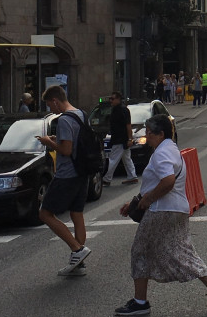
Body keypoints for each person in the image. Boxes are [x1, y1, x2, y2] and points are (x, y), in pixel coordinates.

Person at [114, 115, 207, 317]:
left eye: (149, 133)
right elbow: (159, 181)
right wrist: (136, 200)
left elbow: (167, 181)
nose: (146, 137)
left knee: (140, 250)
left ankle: (140, 302)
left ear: (161, 134)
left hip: (162, 209)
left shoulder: (161, 154)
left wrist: (148, 199)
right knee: (180, 251)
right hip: (176, 208)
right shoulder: (171, 149)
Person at [36, 85, 92, 275]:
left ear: (55, 101)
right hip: (82, 171)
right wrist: (57, 139)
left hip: (66, 174)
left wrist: (49, 142)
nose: (51, 110)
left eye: (50, 106)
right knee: (77, 214)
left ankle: (77, 249)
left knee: (45, 214)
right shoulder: (81, 114)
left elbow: (66, 150)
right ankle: (79, 263)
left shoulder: (64, 121)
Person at [104, 92, 138, 187]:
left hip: (120, 139)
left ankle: (107, 179)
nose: (111, 100)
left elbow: (128, 125)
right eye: (110, 98)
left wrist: (130, 139)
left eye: (112, 98)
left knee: (113, 159)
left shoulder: (123, 110)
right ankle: (132, 176)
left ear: (118, 99)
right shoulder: (116, 109)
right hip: (120, 138)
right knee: (126, 158)